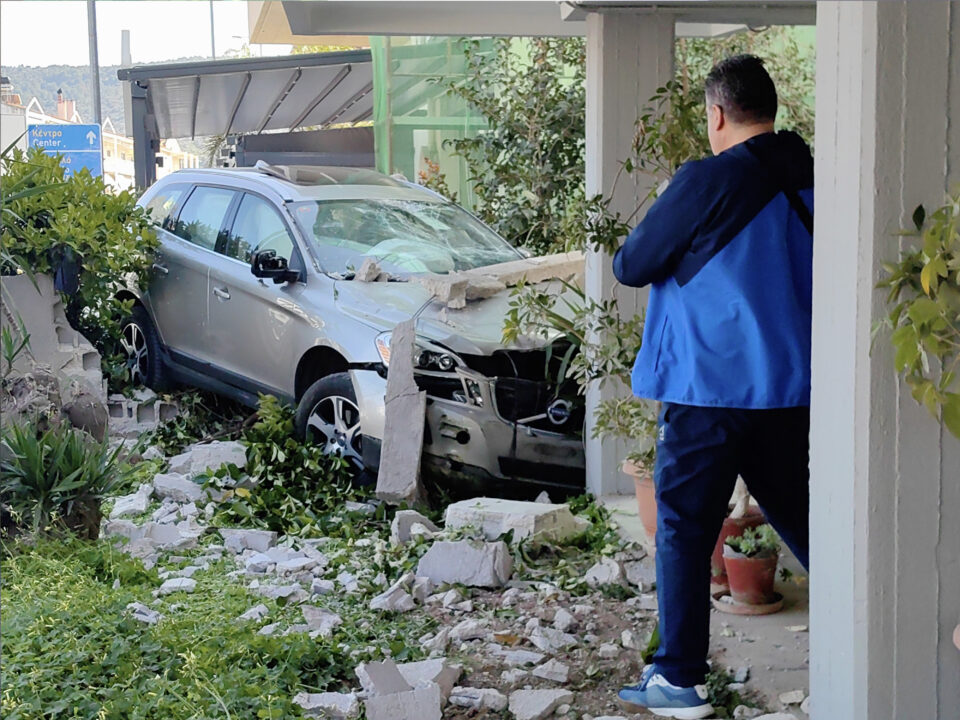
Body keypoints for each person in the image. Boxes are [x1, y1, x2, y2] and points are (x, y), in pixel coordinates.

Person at [612, 54, 813, 719]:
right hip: (790, 388)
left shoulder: (708, 179)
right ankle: (879, 624)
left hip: (708, 390)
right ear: (773, 110)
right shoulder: (815, 177)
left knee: (685, 527)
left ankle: (679, 679)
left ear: (717, 113)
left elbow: (633, 264)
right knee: (806, 520)